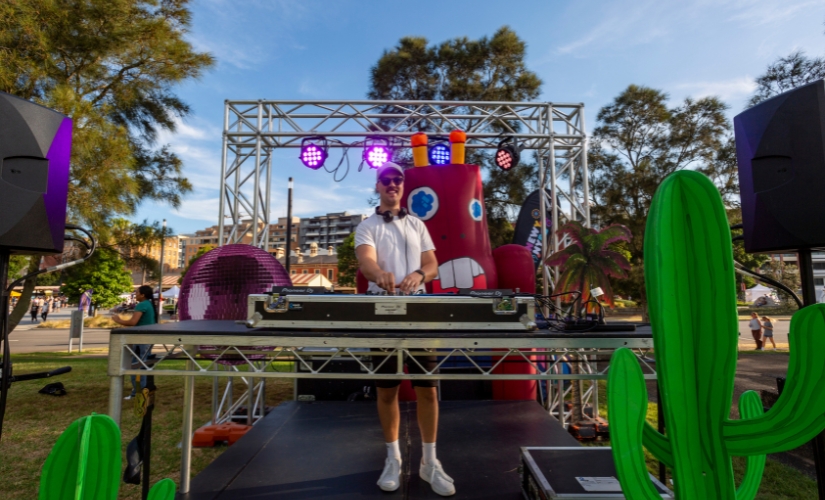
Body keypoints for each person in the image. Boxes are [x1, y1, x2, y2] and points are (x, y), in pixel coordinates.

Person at [354, 162, 454, 496]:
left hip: (420, 312)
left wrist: (419, 275)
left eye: (398, 179)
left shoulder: (417, 224)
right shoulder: (366, 225)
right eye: (387, 180)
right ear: (378, 186)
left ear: (403, 185)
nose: (393, 184)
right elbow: (365, 261)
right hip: (381, 312)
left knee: (427, 387)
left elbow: (432, 265)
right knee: (387, 389)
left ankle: (429, 462)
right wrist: (377, 273)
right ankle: (393, 458)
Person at [111, 285, 156, 400]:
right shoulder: (149, 304)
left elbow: (133, 322)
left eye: (136, 292)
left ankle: (138, 392)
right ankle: (141, 391)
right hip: (147, 338)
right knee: (142, 364)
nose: (135, 294)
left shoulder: (142, 305)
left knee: (136, 365)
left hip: (141, 339)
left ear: (142, 294)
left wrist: (119, 320)